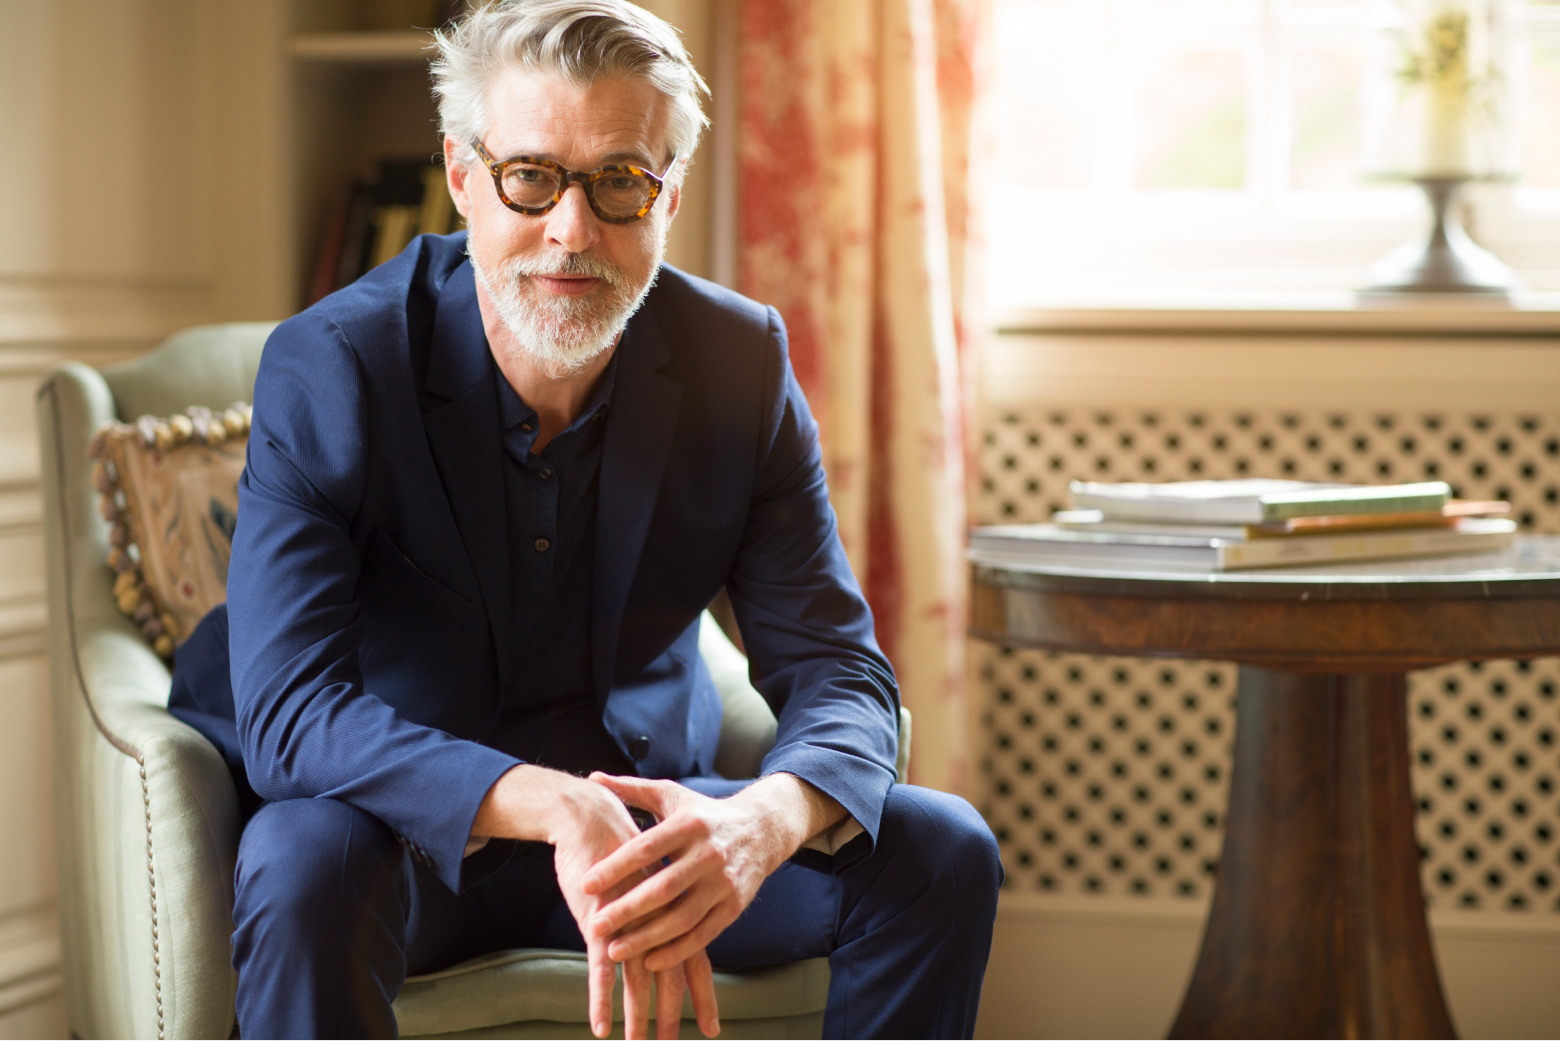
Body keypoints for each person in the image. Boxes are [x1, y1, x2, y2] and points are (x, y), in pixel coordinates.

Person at [175, 1, 1001, 1037]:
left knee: (942, 852)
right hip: (406, 833)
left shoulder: (738, 363)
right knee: (300, 859)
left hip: (639, 830)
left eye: (620, 181)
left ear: (669, 195)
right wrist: (554, 803)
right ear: (464, 175)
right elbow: (293, 710)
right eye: (531, 177)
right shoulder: (335, 364)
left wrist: (763, 820)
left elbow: (840, 671)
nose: (573, 232)